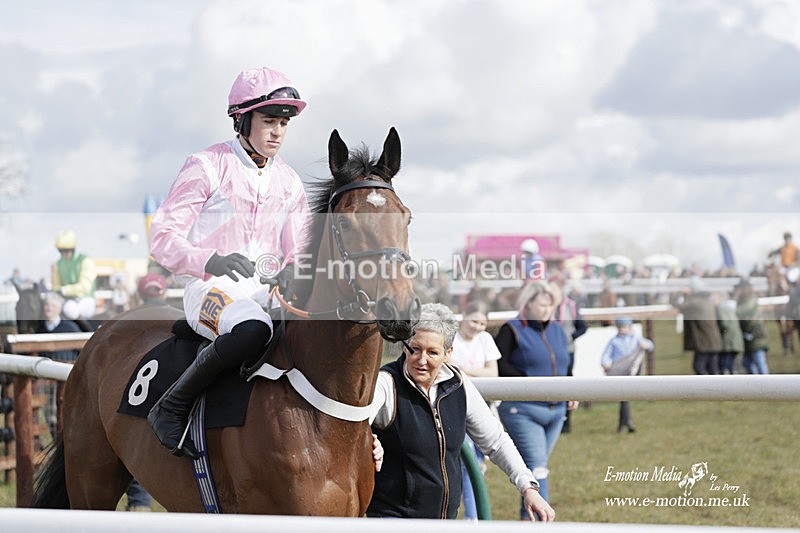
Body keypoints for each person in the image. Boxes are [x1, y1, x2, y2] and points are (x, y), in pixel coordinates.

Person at [147, 66, 310, 459]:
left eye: (283, 124)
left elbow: (301, 246)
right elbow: (162, 238)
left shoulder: (289, 181)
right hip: (208, 289)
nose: (277, 132)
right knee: (254, 329)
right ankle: (170, 406)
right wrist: (211, 261)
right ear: (242, 119)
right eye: (269, 121)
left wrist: (292, 269)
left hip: (263, 292)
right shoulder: (205, 165)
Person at [367, 303, 554, 521]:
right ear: (404, 346)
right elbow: (354, 428)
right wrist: (368, 439)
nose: (422, 360)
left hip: (446, 520)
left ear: (448, 353)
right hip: (393, 520)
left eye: (433, 352)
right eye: (415, 349)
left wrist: (528, 487)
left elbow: (496, 441)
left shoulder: (458, 384)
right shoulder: (386, 383)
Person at [494, 281, 578, 512]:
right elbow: (500, 364)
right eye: (542, 305)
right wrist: (529, 382)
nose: (547, 310)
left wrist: (572, 389)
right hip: (523, 410)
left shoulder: (558, 330)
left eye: (551, 306)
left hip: (556, 411)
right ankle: (543, 522)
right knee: (538, 469)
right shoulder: (511, 329)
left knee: (533, 470)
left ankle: (527, 521)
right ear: (527, 304)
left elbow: (565, 364)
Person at [449, 300, 500, 520]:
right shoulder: (452, 337)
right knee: (469, 466)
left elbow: (493, 373)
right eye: (474, 321)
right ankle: (473, 517)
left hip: (483, 405)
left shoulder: (486, 339)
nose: (478, 327)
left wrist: (467, 369)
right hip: (458, 405)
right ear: (463, 315)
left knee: (475, 465)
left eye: (482, 323)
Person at [35, 292, 82, 438]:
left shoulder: (71, 328)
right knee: (50, 414)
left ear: (59, 308)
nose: (48, 308)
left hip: (67, 378)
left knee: (68, 412)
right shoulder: (39, 330)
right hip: (47, 381)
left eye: (52, 305)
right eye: (46, 305)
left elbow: (81, 351)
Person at [600, 317, 653, 433]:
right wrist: (605, 363)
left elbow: (650, 345)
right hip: (619, 371)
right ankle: (627, 423)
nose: (622, 329)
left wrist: (645, 345)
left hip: (631, 371)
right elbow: (606, 355)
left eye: (624, 327)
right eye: (620, 327)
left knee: (624, 397)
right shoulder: (614, 341)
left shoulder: (635, 338)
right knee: (624, 398)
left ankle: (624, 423)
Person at [549, 278, 587, 433]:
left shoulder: (571, 306)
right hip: (549, 351)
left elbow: (582, 327)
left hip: (567, 350)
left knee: (567, 382)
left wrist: (570, 337)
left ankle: (567, 421)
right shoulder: (544, 307)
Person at [678, 276, 723, 375]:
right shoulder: (705, 300)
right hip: (712, 342)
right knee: (713, 369)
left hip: (705, 343)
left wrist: (682, 293)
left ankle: (706, 389)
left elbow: (680, 306)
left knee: (699, 366)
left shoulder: (696, 302)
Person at [51, 229, 97, 323]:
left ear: (73, 249)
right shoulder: (58, 264)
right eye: (62, 251)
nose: (65, 253)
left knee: (70, 309)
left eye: (68, 250)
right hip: (67, 299)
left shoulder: (85, 260)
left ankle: (88, 332)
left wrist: (65, 290)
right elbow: (56, 287)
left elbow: (85, 286)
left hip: (86, 299)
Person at [736, 280, 770, 374]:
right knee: (747, 362)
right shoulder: (743, 300)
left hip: (756, 335)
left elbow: (741, 312)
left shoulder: (751, 299)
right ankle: (756, 384)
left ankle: (766, 384)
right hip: (749, 336)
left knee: (759, 361)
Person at [716, 292, 743, 375]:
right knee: (732, 362)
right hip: (736, 339)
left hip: (728, 339)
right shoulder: (733, 308)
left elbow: (725, 324)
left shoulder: (721, 309)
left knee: (725, 362)